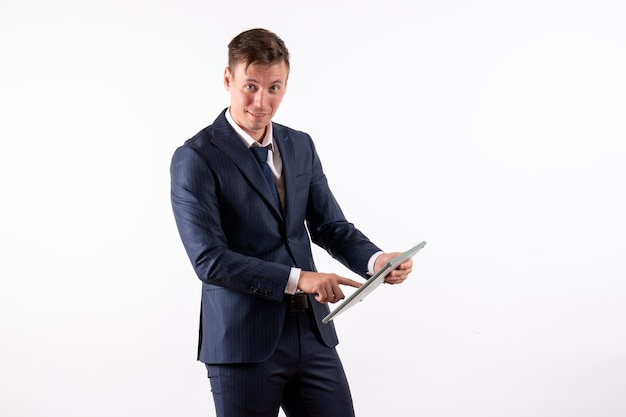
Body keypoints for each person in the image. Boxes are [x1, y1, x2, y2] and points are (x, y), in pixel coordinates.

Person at [170, 27, 413, 417]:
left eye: (274, 88)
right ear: (228, 79)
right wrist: (301, 278)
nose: (261, 102)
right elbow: (209, 260)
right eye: (250, 86)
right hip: (242, 341)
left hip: (313, 334)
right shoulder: (195, 157)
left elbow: (329, 226)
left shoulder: (300, 145)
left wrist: (375, 261)